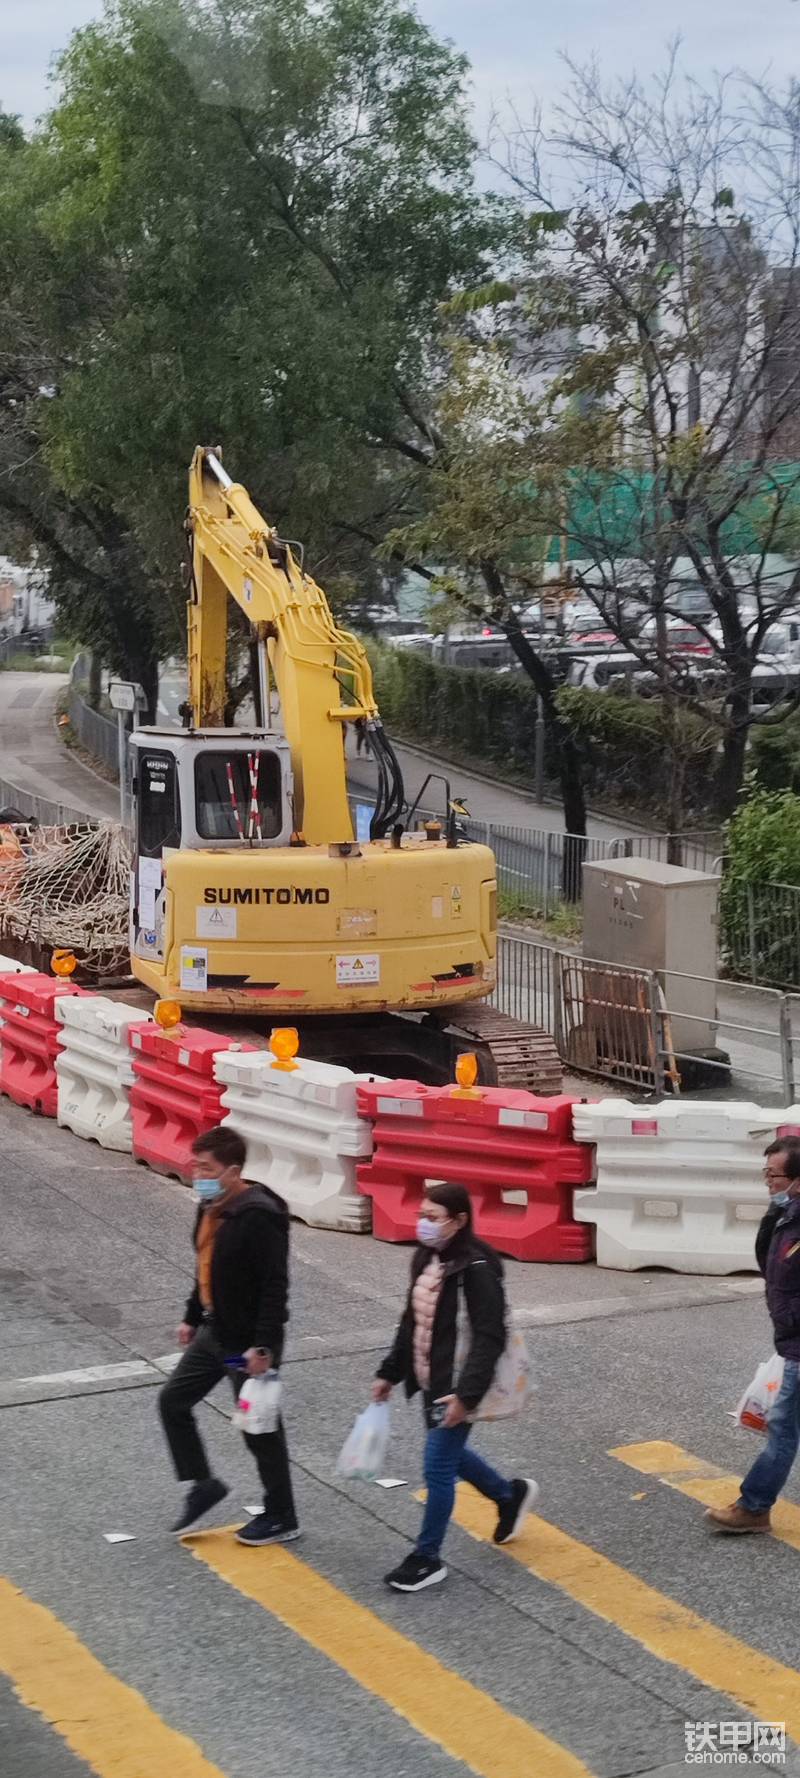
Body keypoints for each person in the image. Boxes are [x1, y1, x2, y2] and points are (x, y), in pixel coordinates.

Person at [372, 1182, 537, 1591]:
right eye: (421, 1215)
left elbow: (489, 1337)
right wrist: (390, 1372)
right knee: (449, 1455)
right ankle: (507, 1496)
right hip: (431, 1378)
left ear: (460, 1221)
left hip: (456, 1385)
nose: (424, 1225)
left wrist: (466, 1397)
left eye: (433, 1218)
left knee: (438, 1467)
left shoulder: (478, 1268)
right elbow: (411, 1320)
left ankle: (427, 1558)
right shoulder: (426, 1258)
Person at [159, 1124, 299, 1547]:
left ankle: (282, 1515)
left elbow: (275, 1286)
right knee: (173, 1402)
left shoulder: (259, 1217)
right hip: (213, 1331)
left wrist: (264, 1347)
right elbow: (207, 1266)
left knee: (258, 1427)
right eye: (195, 1164)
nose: (196, 1172)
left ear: (232, 1171)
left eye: (206, 1167)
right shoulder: (211, 1205)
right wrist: (191, 1315)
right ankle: (203, 1483)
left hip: (244, 1345)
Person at [706, 1137, 800, 1535]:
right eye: (765, 1174)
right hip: (791, 1337)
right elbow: (767, 1261)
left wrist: (793, 1321)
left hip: (798, 1339)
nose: (767, 1183)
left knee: (782, 1426)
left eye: (773, 1176)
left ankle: (754, 1506)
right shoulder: (788, 1214)